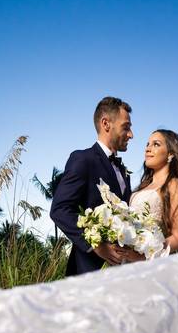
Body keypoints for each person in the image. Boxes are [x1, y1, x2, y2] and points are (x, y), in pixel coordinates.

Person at [49, 96, 135, 275]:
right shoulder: (83, 159)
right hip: (88, 271)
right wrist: (96, 245)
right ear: (106, 124)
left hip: (124, 271)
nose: (131, 134)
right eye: (126, 127)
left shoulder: (123, 172)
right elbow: (60, 209)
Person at [121, 129, 178, 263]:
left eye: (156, 144)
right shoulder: (143, 185)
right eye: (147, 144)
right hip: (126, 257)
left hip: (149, 262)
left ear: (171, 153)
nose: (148, 149)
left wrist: (144, 257)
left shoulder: (174, 184)